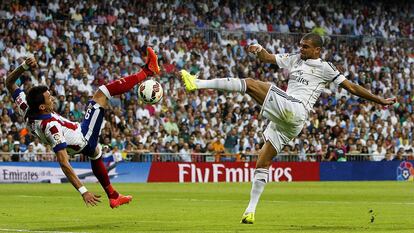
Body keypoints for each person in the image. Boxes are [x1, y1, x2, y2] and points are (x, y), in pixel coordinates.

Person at [179, 32, 396, 224]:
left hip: (297, 110)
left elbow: (352, 87)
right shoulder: (294, 59)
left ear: (317, 50)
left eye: (305, 47)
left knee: (251, 83)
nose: (300, 49)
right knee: (263, 160)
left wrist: (379, 100)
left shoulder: (325, 67)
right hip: (288, 122)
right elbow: (268, 58)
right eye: (300, 45)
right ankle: (250, 211)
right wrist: (259, 49)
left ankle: (197, 84)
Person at [6, 47, 160, 208]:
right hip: (83, 137)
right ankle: (147, 71)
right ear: (42, 107)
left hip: (77, 136)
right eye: (49, 98)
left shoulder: (26, 107)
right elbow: (64, 163)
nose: (52, 98)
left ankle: (113, 196)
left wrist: (23, 66)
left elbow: (8, 82)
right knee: (102, 93)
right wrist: (83, 191)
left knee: (96, 153)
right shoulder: (51, 127)